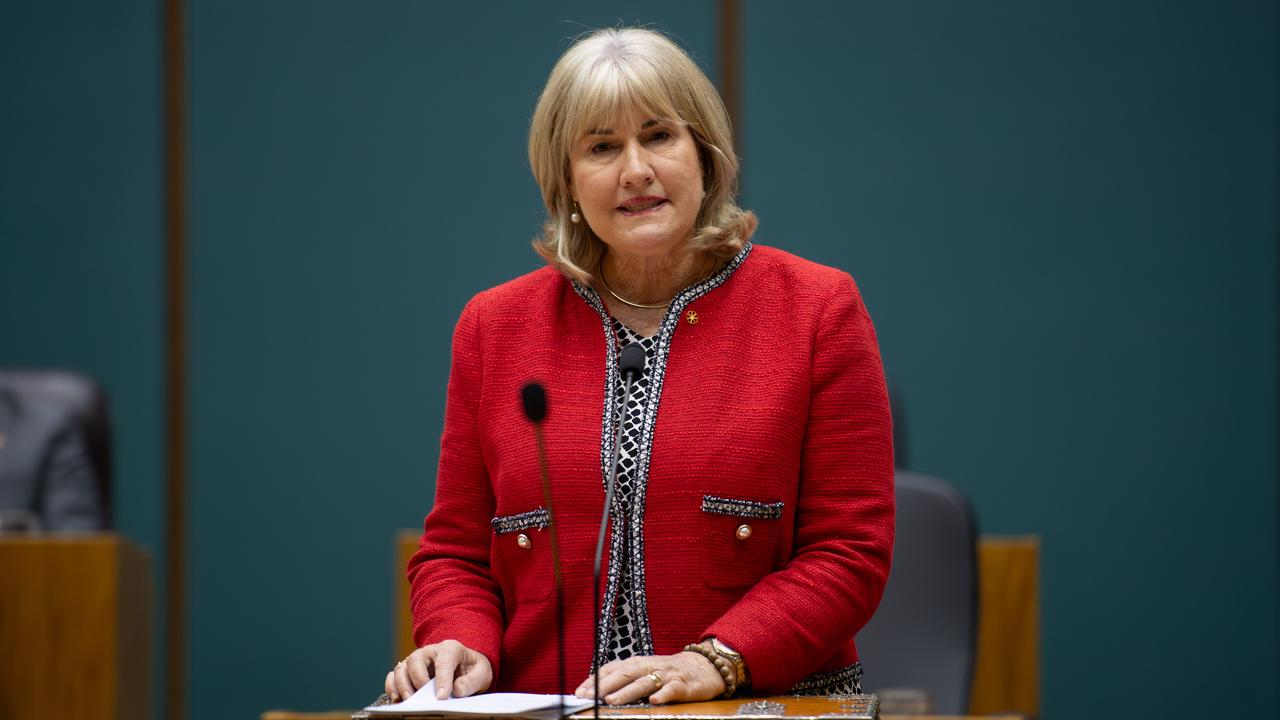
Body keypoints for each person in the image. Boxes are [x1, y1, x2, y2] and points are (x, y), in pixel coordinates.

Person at [386, 27, 894, 706]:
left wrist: (718, 661)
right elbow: (455, 552)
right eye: (601, 147)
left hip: (761, 703)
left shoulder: (816, 309)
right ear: (565, 180)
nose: (635, 170)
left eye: (659, 136)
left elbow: (848, 551)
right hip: (552, 704)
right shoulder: (494, 327)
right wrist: (459, 642)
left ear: (705, 157)